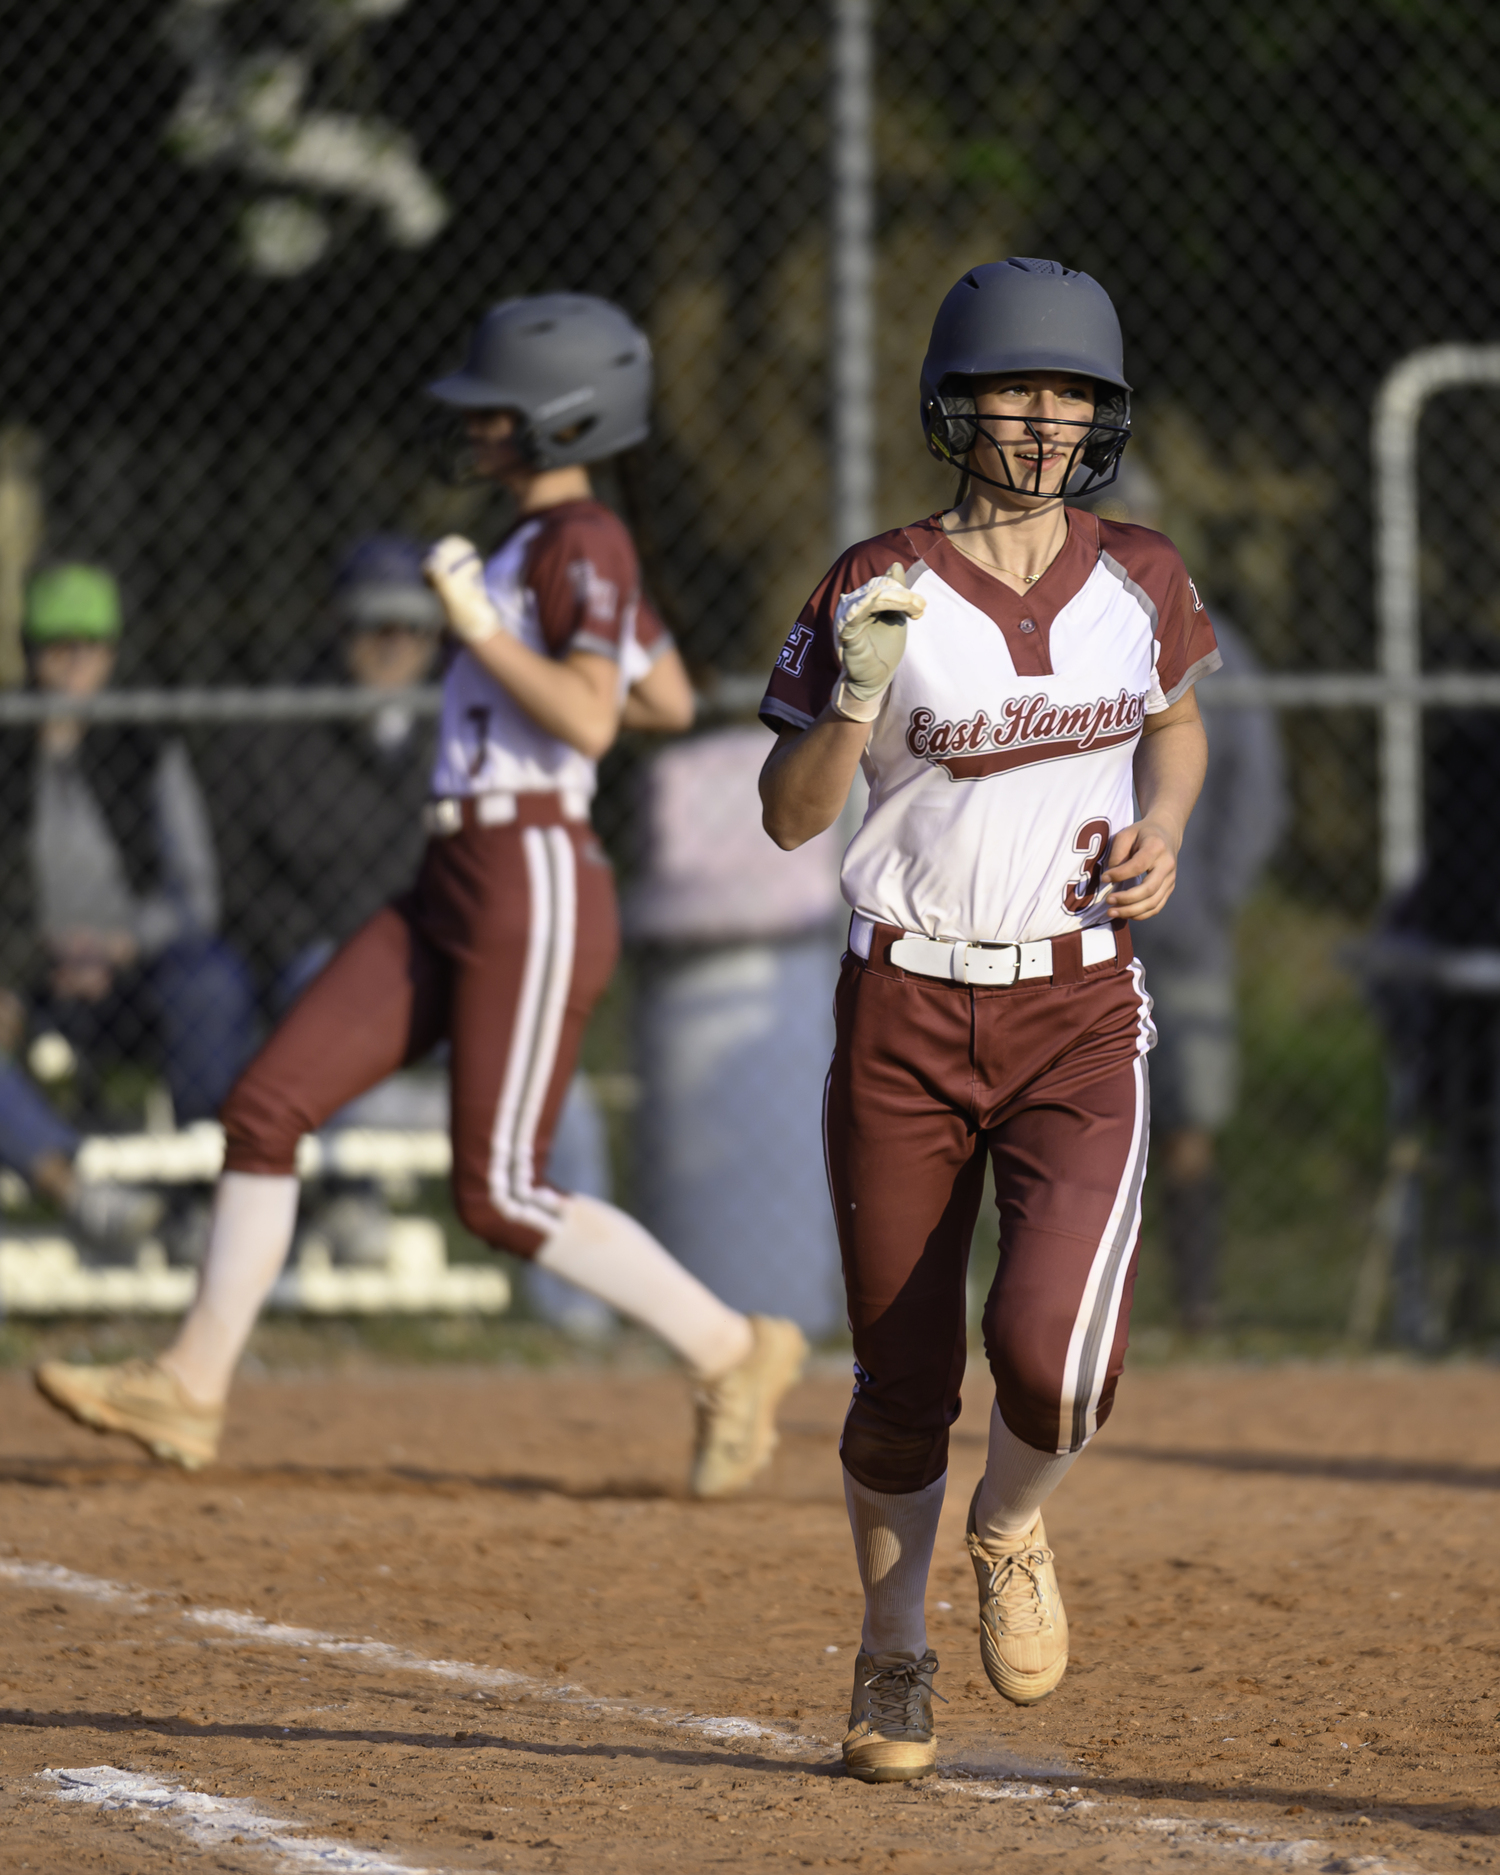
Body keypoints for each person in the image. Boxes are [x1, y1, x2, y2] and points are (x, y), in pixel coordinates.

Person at [35, 293, 809, 1491]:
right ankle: (190, 1386)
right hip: (454, 873)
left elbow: (596, 718)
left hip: (532, 870)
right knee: (269, 1104)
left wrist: (482, 634)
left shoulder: (582, 542)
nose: (477, 429)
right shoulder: (541, 548)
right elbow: (656, 697)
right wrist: (527, 624)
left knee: (499, 1192)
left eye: (500, 412)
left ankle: (734, 1349)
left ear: (563, 421)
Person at [759, 258, 1218, 1782]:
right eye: (1017, 388)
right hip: (902, 998)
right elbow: (784, 821)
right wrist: (845, 701)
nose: (1043, 416)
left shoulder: (1138, 572)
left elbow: (1178, 718)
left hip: (1078, 1001)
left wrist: (1164, 823)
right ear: (955, 405)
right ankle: (893, 1640)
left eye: (1071, 392)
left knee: (1056, 1361)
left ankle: (1009, 1524)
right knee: (901, 1381)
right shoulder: (874, 580)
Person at [1083, 468, 1285, 1331]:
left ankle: (1196, 1301)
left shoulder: (1211, 642)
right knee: (1083, 1125)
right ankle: (1096, 1310)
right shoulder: (1053, 640)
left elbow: (1259, 797)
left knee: (1190, 1112)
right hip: (1084, 922)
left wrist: (1209, 894)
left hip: (1186, 925)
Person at [0, 564, 255, 1129]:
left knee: (211, 982)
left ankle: (203, 1168)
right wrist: (24, 959)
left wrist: (121, 944)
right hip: (25, 967)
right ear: (29, 650)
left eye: (89, 645)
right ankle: (65, 1177)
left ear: (111, 653)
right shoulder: (7, 746)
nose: (73, 661)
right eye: (56, 645)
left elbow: (194, 895)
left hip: (134, 967)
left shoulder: (145, 747)